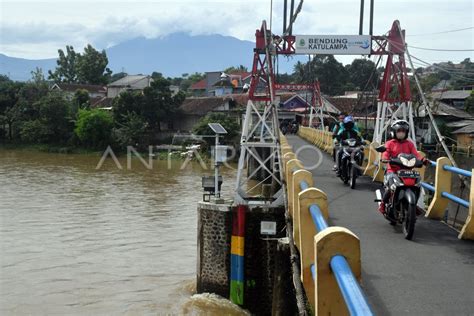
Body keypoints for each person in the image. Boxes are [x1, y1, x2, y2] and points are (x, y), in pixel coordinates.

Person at [378, 120, 429, 214]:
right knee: (391, 187)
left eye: (403, 131)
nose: (401, 133)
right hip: (393, 170)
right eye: (399, 131)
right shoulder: (390, 143)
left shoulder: (409, 144)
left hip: (407, 170)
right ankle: (382, 204)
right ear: (394, 131)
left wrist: (422, 160)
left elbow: (416, 155)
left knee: (417, 185)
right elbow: (386, 153)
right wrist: (385, 158)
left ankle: (414, 205)